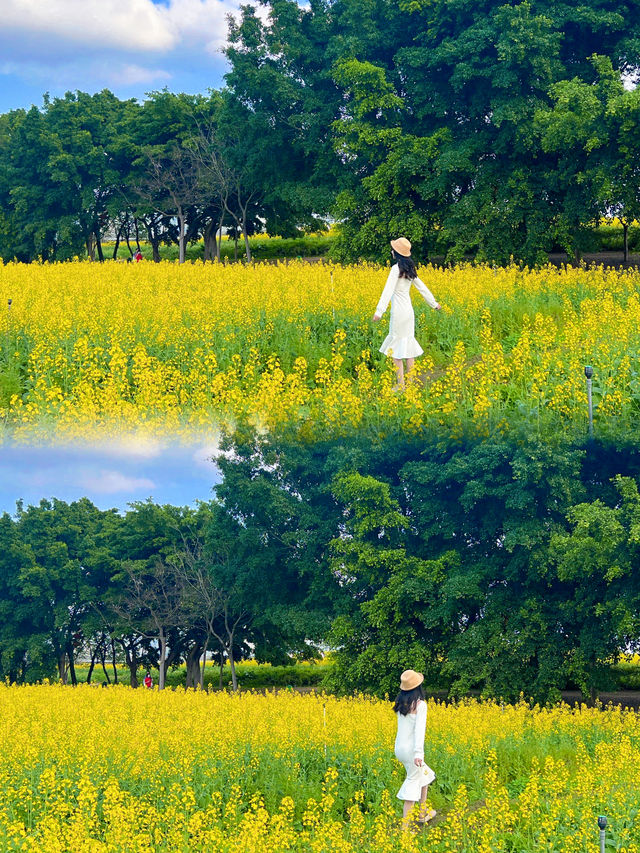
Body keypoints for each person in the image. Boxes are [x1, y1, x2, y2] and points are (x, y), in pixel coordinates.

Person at [373, 237, 441, 389]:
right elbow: (422, 288)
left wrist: (379, 311)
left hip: (398, 313)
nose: (391, 251)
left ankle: (401, 385)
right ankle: (410, 383)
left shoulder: (395, 269)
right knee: (408, 346)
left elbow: (387, 291)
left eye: (393, 249)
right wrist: (434, 304)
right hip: (409, 313)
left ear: (396, 253)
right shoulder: (410, 269)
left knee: (396, 350)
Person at [393, 669, 436, 829]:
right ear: (418, 687)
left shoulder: (400, 704)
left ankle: (422, 813)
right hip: (412, 751)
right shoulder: (420, 705)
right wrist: (418, 753)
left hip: (400, 749)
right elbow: (419, 730)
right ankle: (405, 829)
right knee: (412, 783)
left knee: (426, 775)